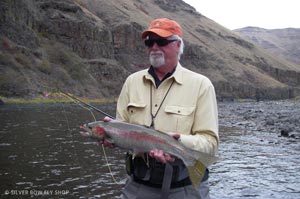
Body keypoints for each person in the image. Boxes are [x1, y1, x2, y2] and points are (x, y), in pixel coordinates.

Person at [105, 18, 219, 199]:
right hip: (138, 186)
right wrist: (112, 137)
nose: (154, 47)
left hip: (185, 189)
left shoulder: (201, 85)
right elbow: (123, 128)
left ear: (178, 45)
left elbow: (210, 144)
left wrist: (178, 142)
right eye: (149, 42)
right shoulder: (131, 82)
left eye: (162, 41)